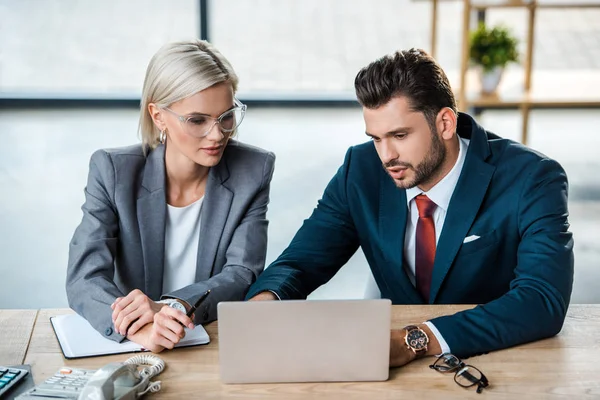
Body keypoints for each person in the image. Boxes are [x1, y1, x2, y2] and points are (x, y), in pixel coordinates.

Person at [246, 48, 573, 368]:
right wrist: (267, 300)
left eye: (400, 135)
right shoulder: (359, 171)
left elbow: (542, 299)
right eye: (375, 138)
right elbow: (300, 263)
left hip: (497, 361)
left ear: (445, 123)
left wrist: (415, 339)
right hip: (392, 371)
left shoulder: (532, 178)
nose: (386, 155)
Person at [67, 40, 275, 352]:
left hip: (207, 343)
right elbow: (84, 278)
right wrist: (141, 328)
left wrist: (169, 307)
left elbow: (242, 273)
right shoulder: (112, 171)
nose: (218, 134)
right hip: (132, 347)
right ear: (158, 116)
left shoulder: (253, 169)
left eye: (226, 116)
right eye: (197, 120)